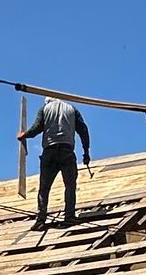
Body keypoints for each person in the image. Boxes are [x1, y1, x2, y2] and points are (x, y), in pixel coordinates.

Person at [19, 94, 92, 228]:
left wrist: (24, 135)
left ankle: (40, 220)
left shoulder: (44, 109)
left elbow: (36, 128)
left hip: (49, 152)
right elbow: (83, 130)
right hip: (67, 151)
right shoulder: (72, 109)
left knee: (44, 187)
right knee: (70, 186)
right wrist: (86, 152)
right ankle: (69, 217)